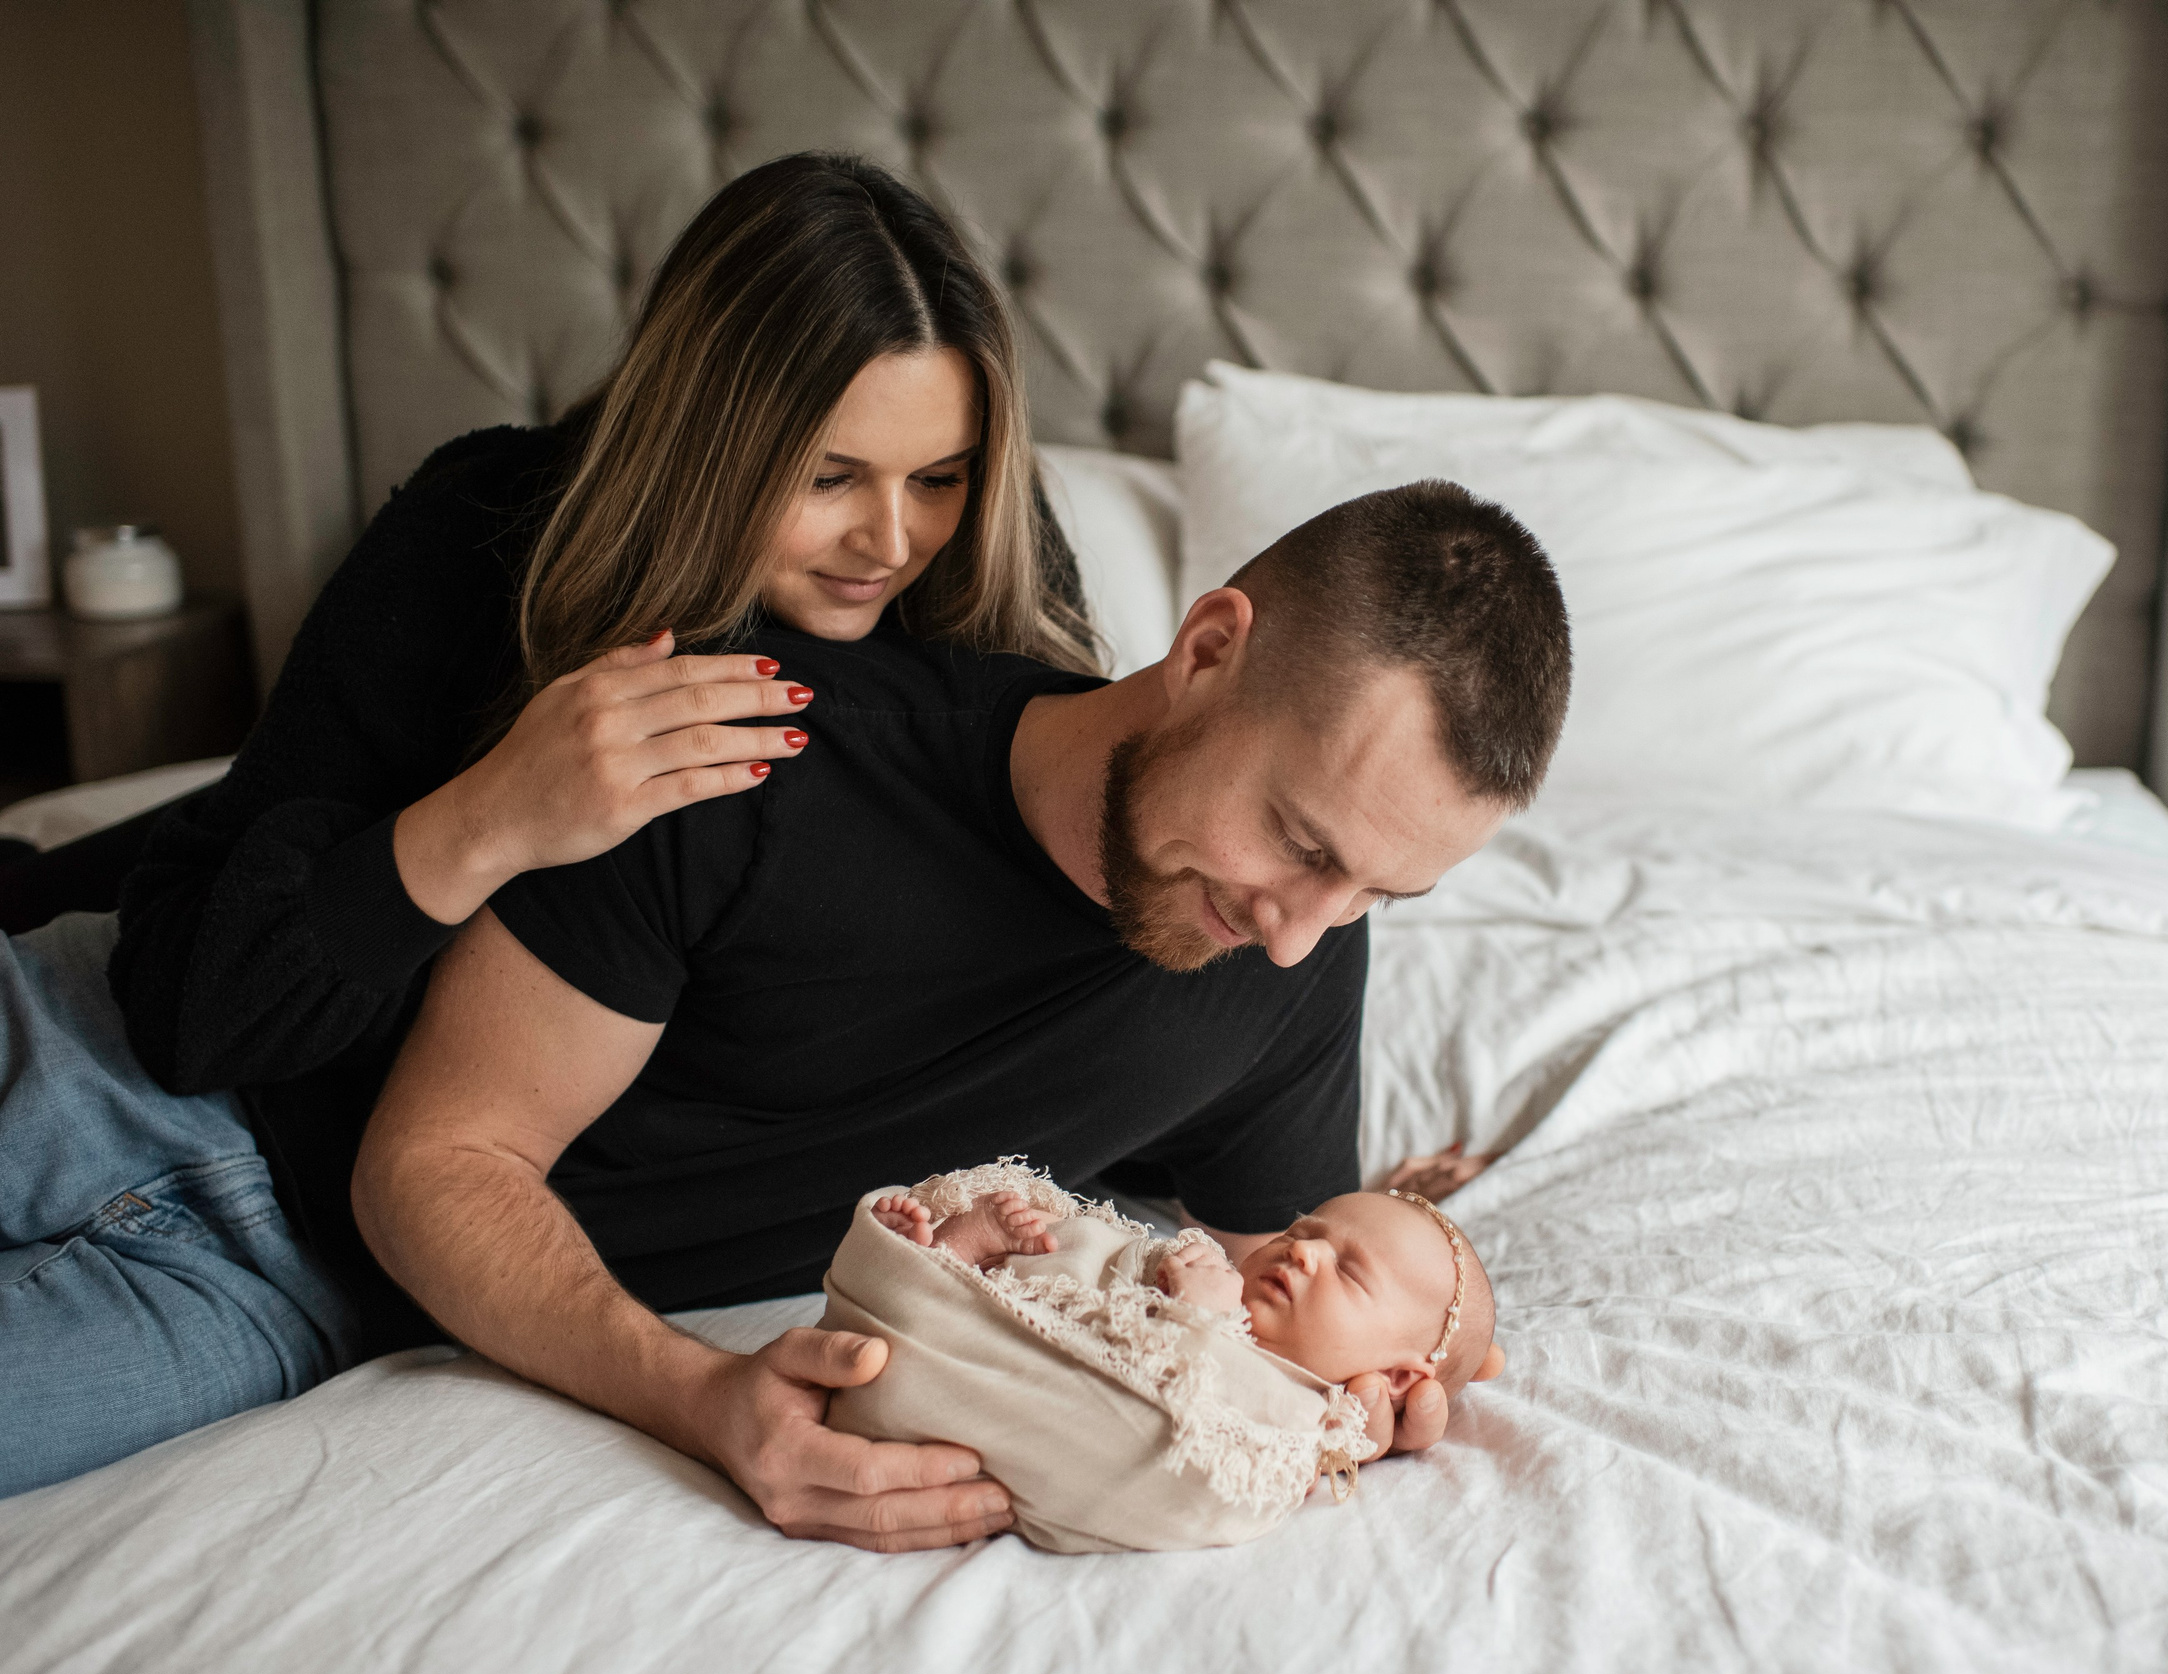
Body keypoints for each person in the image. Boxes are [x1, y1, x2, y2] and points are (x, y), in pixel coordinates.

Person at [0, 152, 1096, 1500]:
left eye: (941, 475)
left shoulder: (990, 625)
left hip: (304, 1277)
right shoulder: (487, 529)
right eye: (828, 475)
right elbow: (188, 1007)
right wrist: (496, 817)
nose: (890, 537)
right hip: (110, 1058)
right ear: (706, 443)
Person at [354, 478, 1572, 1552]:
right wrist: (700, 1396)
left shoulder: (1296, 957)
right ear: (1206, 648)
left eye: (1374, 889)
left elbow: (1247, 1290)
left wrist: (1373, 1377)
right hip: (241, 1211)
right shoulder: (759, 759)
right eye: (1301, 842)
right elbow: (433, 1159)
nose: (1301, 930)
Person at [816, 1164, 1500, 1553]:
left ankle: (934, 1280)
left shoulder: (1287, 1419)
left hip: (975, 1379)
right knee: (1070, 1244)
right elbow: (1102, 1266)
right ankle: (951, 1256)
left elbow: (1181, 1463)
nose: (1304, 1250)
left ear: (1401, 1377)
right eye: (1303, 1228)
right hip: (1010, 1307)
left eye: (1348, 1272)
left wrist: (1200, 1320)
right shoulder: (1206, 1267)